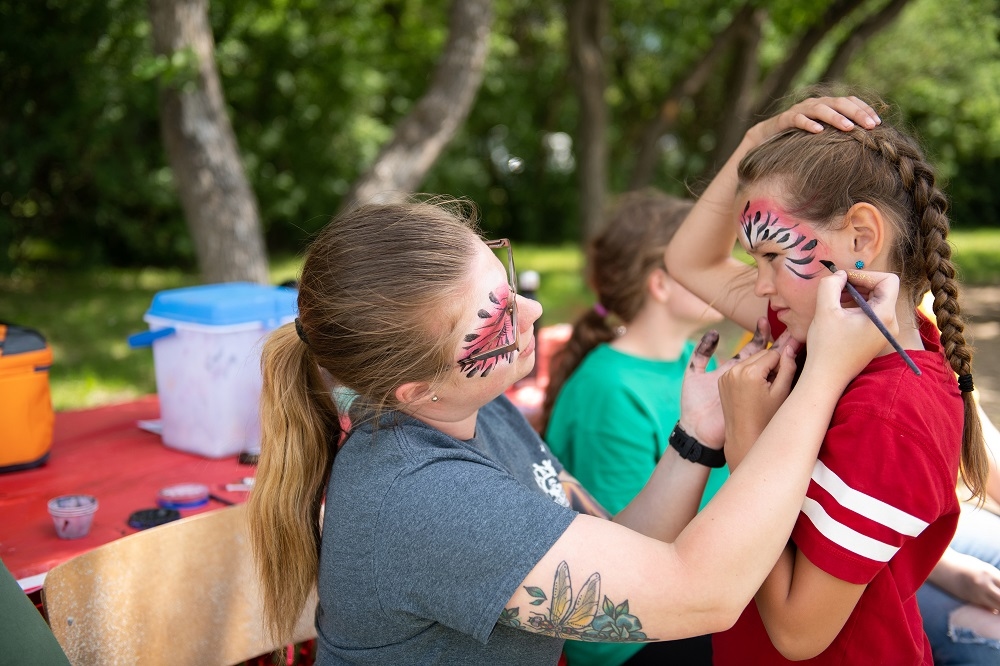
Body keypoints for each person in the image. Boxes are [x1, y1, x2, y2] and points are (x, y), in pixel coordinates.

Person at [245, 148, 896, 664]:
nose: (532, 311)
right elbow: (702, 595)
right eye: (495, 323)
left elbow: (623, 546)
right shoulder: (424, 497)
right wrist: (825, 376)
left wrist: (696, 436)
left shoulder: (477, 409)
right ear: (416, 390)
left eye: (506, 284)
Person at [666, 90, 990, 665]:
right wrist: (754, 141)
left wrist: (746, 444)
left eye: (772, 255)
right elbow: (689, 261)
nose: (760, 284)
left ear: (861, 239)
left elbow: (797, 633)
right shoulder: (818, 324)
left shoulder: (890, 416)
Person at [542, 189, 724, 666]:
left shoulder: (695, 361)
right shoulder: (610, 390)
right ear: (660, 284)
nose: (729, 273)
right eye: (709, 261)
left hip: (692, 594)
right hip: (630, 638)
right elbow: (627, 562)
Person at [918, 402, 1000, 665]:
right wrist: (956, 574)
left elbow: (981, 445)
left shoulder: (954, 376)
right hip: (886, 552)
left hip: (946, 516)